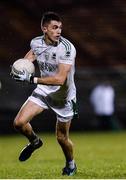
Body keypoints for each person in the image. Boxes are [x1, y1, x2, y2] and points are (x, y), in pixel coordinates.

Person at [11, 11, 77, 176]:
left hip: (63, 97)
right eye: (54, 28)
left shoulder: (67, 49)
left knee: (62, 138)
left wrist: (31, 79)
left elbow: (60, 79)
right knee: (19, 123)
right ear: (44, 28)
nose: (59, 31)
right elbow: (29, 58)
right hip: (43, 91)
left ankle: (71, 164)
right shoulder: (36, 43)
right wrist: (20, 68)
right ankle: (35, 142)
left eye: (60, 28)